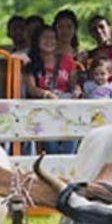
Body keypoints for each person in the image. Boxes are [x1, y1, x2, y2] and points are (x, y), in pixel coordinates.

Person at [24, 25, 82, 154]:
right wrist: (47, 94)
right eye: (45, 38)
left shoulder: (67, 60)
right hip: (44, 110)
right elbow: (31, 88)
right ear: (37, 40)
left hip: (66, 110)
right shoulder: (31, 61)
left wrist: (77, 89)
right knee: (51, 148)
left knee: (70, 144)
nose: (49, 41)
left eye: (53, 38)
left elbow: (73, 85)